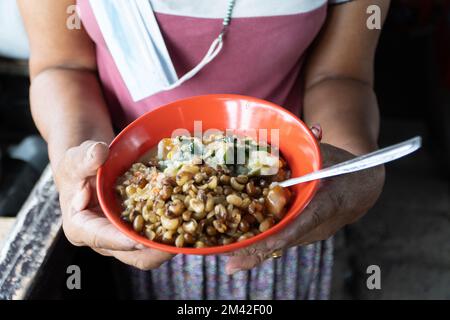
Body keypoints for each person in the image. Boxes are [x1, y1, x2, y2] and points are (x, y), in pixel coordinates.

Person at [18, 0, 388, 299]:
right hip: (133, 212)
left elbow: (342, 75)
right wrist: (81, 157)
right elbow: (63, 64)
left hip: (293, 203)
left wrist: (351, 165)